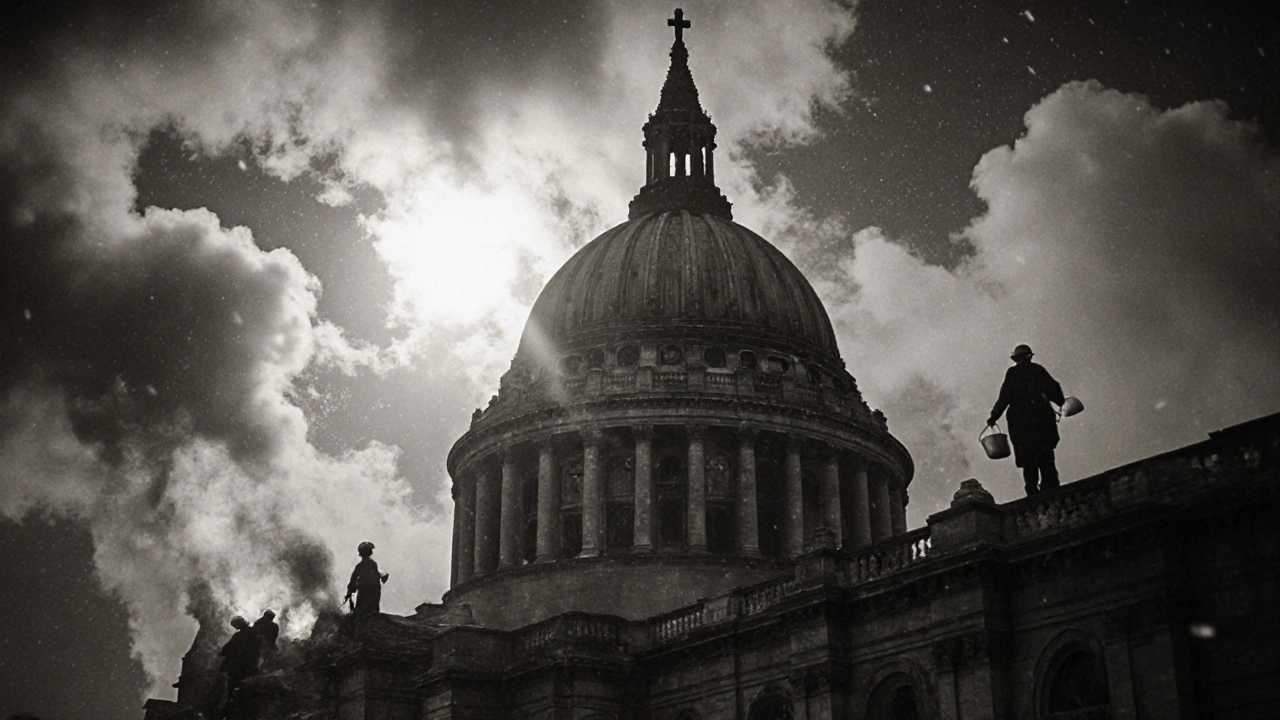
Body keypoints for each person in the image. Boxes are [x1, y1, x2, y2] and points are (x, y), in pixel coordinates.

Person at [987, 344, 1066, 495]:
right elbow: (1054, 388)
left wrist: (994, 416)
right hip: (1042, 420)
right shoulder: (1038, 370)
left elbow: (1005, 397)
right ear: (1029, 357)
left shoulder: (1013, 373)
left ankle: (1032, 490)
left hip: (1021, 424)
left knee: (1029, 459)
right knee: (1046, 455)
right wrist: (1062, 403)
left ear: (1016, 359)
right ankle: (1050, 485)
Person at [218, 615, 260, 715]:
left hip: (239, 665)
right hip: (249, 664)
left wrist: (221, 653)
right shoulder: (253, 632)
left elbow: (226, 649)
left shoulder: (239, 636)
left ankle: (231, 707)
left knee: (234, 686)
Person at [346, 541, 389, 616]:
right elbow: (354, 580)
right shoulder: (371, 564)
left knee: (364, 612)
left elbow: (353, 580)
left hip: (368, 593)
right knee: (369, 612)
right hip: (370, 593)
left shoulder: (361, 566)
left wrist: (350, 591)